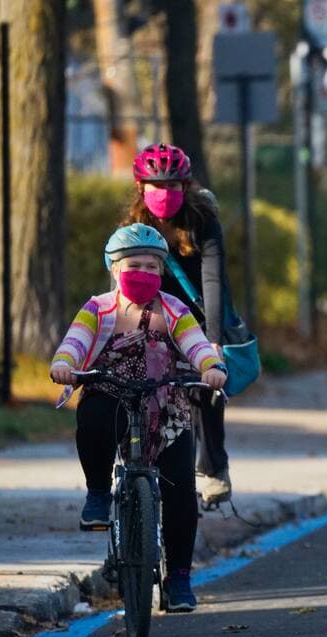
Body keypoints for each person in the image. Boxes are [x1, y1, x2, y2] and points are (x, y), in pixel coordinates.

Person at [49, 224, 227, 612]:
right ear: (114, 269)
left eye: (151, 266)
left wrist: (211, 366)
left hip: (166, 403)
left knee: (180, 489)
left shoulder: (175, 310)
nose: (143, 273)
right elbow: (75, 343)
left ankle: (179, 578)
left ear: (161, 271)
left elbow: (196, 345)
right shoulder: (98, 308)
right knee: (92, 420)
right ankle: (97, 493)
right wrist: (64, 364)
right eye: (133, 265)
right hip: (111, 391)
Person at [123, 143, 233, 506]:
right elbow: (120, 283)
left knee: (206, 385)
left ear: (186, 188)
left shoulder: (203, 222)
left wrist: (213, 340)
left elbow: (214, 282)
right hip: (153, 313)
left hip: (197, 318)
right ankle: (134, 462)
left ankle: (214, 467)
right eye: (157, 186)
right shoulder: (133, 227)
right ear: (141, 188)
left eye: (173, 186)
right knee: (136, 382)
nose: (165, 194)